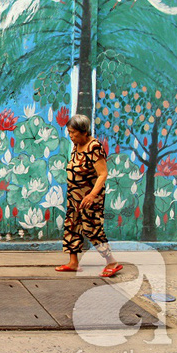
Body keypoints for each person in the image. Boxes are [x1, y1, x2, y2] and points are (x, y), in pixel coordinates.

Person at [56, 114, 122, 277]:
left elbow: (103, 174)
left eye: (74, 133)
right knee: (72, 227)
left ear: (84, 132)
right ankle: (73, 262)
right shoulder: (76, 145)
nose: (71, 136)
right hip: (75, 198)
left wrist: (92, 195)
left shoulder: (94, 146)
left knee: (92, 228)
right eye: (69, 132)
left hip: (89, 198)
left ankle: (112, 262)